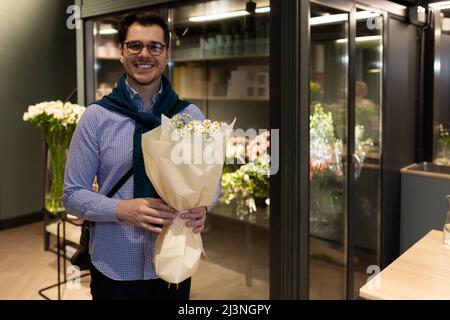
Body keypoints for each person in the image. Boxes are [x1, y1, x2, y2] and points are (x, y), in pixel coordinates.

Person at [63, 12, 219, 300]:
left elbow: (211, 185)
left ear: (166, 53)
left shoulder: (189, 116)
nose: (144, 54)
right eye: (134, 45)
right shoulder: (96, 117)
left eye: (154, 46)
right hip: (115, 267)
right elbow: (72, 194)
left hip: (175, 262)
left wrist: (203, 209)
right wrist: (123, 210)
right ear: (122, 52)